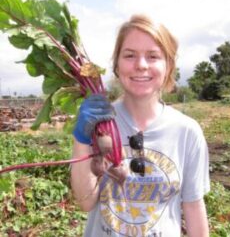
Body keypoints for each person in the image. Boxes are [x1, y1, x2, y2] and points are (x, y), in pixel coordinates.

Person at [71, 14, 210, 237]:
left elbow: (193, 206)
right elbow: (85, 203)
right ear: (116, 64)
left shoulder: (187, 132)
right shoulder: (99, 126)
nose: (141, 65)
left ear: (168, 66)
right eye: (129, 55)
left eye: (153, 56)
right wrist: (81, 138)